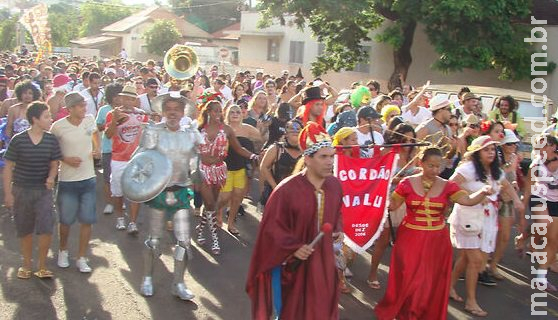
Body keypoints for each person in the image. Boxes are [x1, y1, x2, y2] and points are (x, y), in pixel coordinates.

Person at [375, 147, 492, 320]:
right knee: (409, 276)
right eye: (431, 166)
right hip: (410, 238)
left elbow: (467, 200)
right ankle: (406, 312)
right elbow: (393, 206)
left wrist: (482, 192)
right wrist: (382, 192)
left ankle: (421, 312)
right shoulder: (406, 183)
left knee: (428, 280)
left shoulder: (448, 185)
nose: (435, 170)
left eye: (438, 166)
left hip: (436, 240)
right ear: (420, 163)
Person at [246, 122, 343, 319]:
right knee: (294, 310)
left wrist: (337, 231)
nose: (329, 162)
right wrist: (293, 247)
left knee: (321, 307)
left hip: (323, 261)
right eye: (323, 156)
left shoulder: (335, 186)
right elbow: (271, 229)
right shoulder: (286, 190)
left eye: (332, 156)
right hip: (293, 266)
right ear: (307, 158)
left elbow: (336, 215)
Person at [130, 92, 202, 300]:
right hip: (159, 192)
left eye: (176, 109)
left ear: (182, 112)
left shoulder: (189, 134)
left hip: (180, 192)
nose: (172, 112)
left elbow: (193, 160)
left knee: (183, 242)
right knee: (154, 240)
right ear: (162, 111)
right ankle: (147, 278)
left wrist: (197, 170)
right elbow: (139, 159)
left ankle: (178, 283)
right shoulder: (153, 132)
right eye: (168, 108)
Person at [448, 136, 524, 317]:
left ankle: (449, 287)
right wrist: (470, 196)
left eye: (492, 150)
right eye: (486, 149)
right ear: (476, 152)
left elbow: (506, 186)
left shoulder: (496, 171)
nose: (491, 153)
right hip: (468, 218)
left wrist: (516, 201)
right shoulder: (467, 168)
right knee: (475, 261)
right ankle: (471, 301)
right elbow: (450, 185)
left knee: (470, 259)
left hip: (488, 220)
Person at [3, 102, 62, 279]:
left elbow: (54, 164)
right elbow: (8, 168)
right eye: (46, 116)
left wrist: (52, 177)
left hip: (43, 191)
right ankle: (27, 264)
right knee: (25, 228)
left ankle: (42, 266)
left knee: (46, 228)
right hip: (21, 190)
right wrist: (8, 194)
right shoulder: (18, 140)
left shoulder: (51, 139)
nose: (50, 119)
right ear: (35, 119)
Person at [195, 99, 258, 255]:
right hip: (203, 171)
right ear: (208, 112)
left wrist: (253, 156)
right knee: (209, 203)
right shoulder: (198, 129)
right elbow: (190, 150)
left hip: (219, 170)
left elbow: (239, 148)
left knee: (213, 205)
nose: (217, 114)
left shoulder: (227, 130)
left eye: (219, 111)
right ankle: (215, 239)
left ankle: (201, 230)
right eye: (214, 110)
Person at [51, 92, 101, 273]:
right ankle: (63, 251)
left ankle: (81, 257)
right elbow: (51, 149)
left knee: (87, 221)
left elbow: (95, 134)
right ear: (70, 109)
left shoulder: (89, 120)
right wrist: (65, 159)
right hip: (67, 181)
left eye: (84, 105)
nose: (84, 108)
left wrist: (98, 149)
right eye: (80, 106)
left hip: (88, 179)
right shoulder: (58, 127)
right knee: (65, 221)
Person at [105, 85, 148, 233]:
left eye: (131, 98)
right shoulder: (112, 113)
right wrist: (115, 120)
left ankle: (133, 222)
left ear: (135, 99)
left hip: (137, 159)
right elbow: (108, 135)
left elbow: (146, 136)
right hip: (118, 159)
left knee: (135, 193)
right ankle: (120, 218)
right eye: (126, 98)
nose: (128, 101)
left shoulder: (142, 114)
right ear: (121, 98)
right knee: (118, 192)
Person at [217, 104, 263, 234]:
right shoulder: (223, 129)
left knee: (237, 198)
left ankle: (231, 223)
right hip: (225, 168)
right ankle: (218, 214)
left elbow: (261, 139)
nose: (235, 114)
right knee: (224, 197)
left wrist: (259, 151)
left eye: (238, 112)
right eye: (232, 112)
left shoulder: (248, 129)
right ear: (227, 114)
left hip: (241, 168)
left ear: (242, 114)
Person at [521, 132, 558, 292]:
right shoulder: (535, 164)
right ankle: (527, 235)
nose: (539, 148)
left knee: (553, 240)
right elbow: (528, 189)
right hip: (539, 197)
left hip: (555, 200)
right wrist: (522, 213)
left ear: (553, 146)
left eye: (543, 144)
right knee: (544, 223)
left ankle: (541, 278)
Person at [488, 129, 522, 279]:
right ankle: (484, 262)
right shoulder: (494, 157)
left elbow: (512, 175)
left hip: (507, 200)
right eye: (509, 143)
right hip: (493, 198)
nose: (512, 146)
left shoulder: (514, 157)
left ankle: (494, 265)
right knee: (488, 233)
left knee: (505, 235)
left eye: (515, 143)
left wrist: (514, 184)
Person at [95, 83, 123, 215]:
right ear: (110, 97)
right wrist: (110, 123)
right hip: (108, 148)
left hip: (123, 149)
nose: (118, 99)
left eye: (120, 95)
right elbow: (98, 126)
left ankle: (119, 201)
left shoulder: (127, 109)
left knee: (122, 177)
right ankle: (109, 202)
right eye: (115, 96)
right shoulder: (104, 110)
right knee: (108, 177)